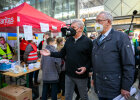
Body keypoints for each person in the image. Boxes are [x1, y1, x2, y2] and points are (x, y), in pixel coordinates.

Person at [40, 19, 93, 100]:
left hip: (81, 76)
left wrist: (87, 68)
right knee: (68, 96)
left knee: (83, 96)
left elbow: (91, 58)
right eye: (70, 27)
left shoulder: (88, 41)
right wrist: (50, 53)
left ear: (81, 29)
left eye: (73, 27)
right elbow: (62, 54)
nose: (70, 29)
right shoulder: (69, 41)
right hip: (69, 75)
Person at [92, 11, 135, 100]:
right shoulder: (96, 41)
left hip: (114, 87)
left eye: (99, 21)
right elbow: (96, 62)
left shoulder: (120, 37)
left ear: (108, 22)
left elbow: (129, 64)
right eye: (96, 21)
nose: (96, 24)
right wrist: (94, 78)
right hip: (100, 86)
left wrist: (126, 86)